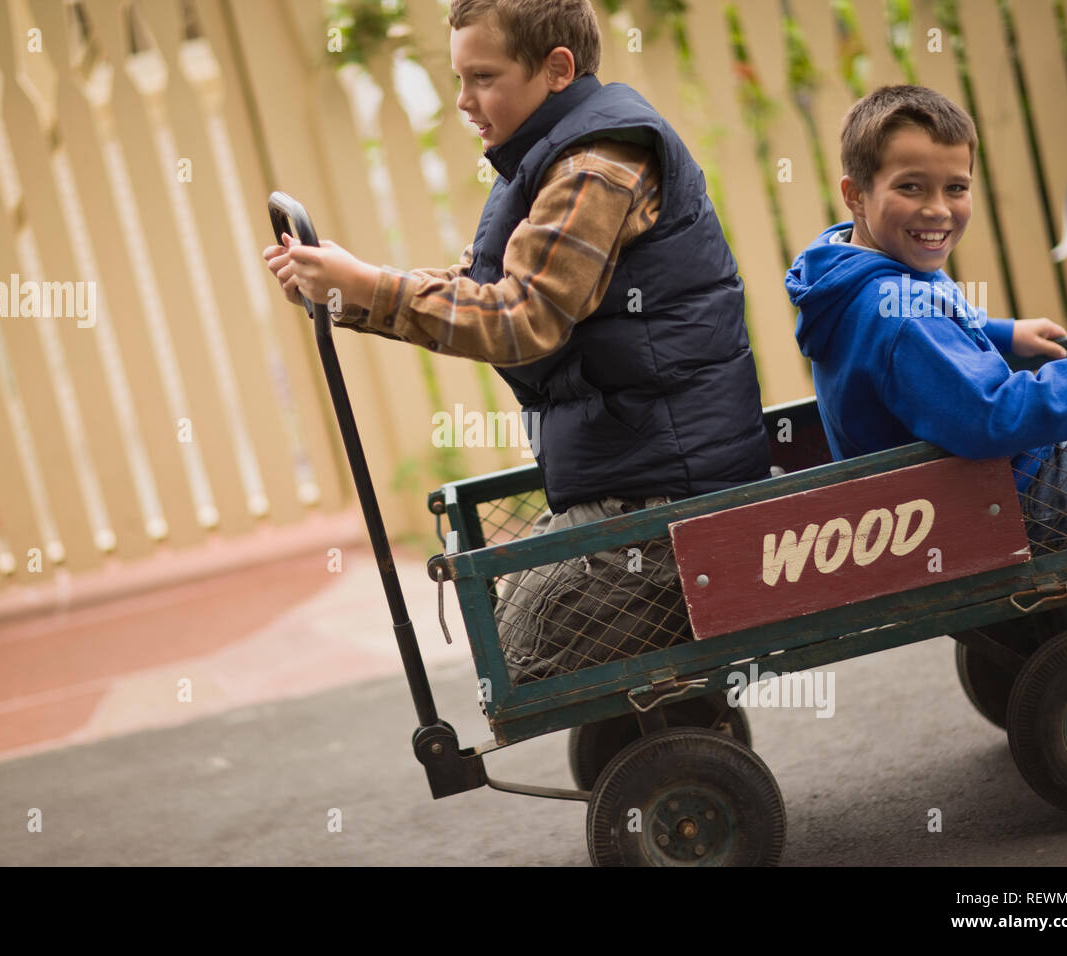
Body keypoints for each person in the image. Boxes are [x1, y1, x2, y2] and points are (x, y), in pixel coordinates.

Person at [265, 0, 769, 683]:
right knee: (515, 634)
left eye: (484, 77)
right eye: (458, 79)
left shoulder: (596, 167)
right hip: (636, 477)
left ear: (557, 69)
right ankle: (670, 719)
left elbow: (521, 318)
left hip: (669, 501)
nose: (464, 101)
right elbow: (487, 289)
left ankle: (680, 722)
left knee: (518, 647)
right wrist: (351, 291)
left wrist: (369, 283)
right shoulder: (556, 160)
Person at [785, 84, 1067, 551]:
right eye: (910, 186)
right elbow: (994, 416)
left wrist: (1006, 332)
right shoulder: (898, 316)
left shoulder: (858, 270)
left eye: (956, 188)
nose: (937, 209)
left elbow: (941, 328)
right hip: (1006, 500)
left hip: (968, 497)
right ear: (856, 195)